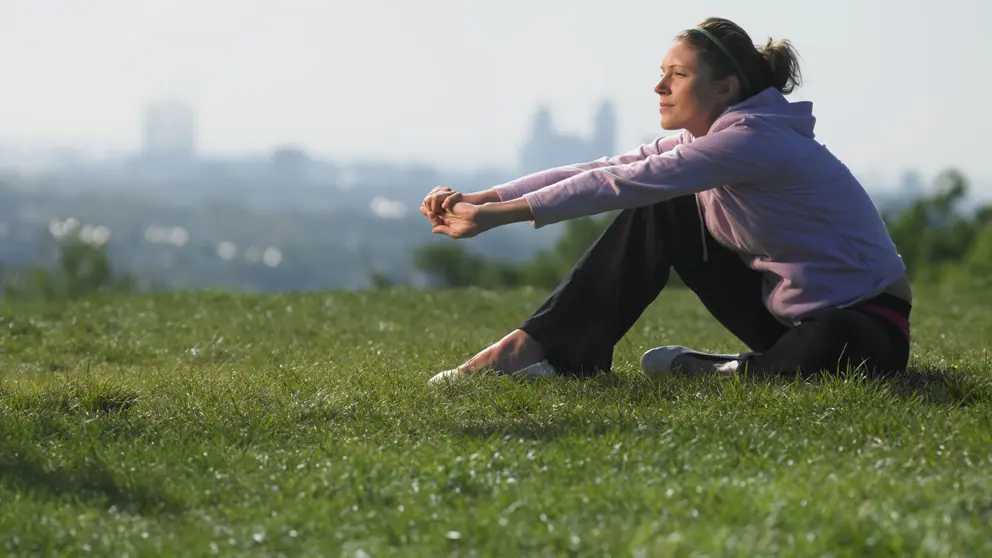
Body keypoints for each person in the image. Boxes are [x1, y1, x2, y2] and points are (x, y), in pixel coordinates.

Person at [420, 17, 913, 385]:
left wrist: (493, 219)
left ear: (726, 85)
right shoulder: (710, 140)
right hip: (787, 319)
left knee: (832, 347)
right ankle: (549, 350)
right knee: (667, 205)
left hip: (866, 326)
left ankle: (712, 369)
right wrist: (484, 198)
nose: (659, 86)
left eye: (677, 74)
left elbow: (620, 184)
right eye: (661, 73)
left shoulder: (754, 140)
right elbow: (604, 169)